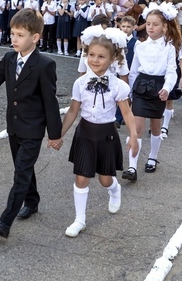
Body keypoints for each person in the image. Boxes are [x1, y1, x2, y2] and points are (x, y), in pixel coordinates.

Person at [0, 9, 62, 239]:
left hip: (33, 129)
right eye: (12, 33)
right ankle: (33, 201)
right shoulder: (9, 59)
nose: (14, 39)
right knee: (22, 168)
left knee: (21, 173)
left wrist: (54, 134)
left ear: (35, 38)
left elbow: (50, 102)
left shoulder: (45, 65)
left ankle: (5, 222)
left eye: (20, 35)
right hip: (14, 127)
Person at [58, 26, 138, 237]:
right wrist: (59, 134)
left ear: (112, 59)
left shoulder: (118, 86)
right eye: (91, 55)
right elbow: (73, 111)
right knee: (81, 177)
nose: (95, 60)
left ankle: (114, 189)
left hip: (106, 135)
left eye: (101, 56)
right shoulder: (80, 83)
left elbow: (127, 113)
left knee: (104, 179)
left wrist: (134, 136)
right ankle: (79, 220)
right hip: (85, 133)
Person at [122, 3, 181, 181]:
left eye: (155, 24)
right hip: (141, 87)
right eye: (148, 24)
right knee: (137, 128)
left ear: (164, 27)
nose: (150, 27)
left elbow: (171, 71)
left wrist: (166, 88)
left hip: (158, 88)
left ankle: (153, 157)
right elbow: (133, 71)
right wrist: (130, 93)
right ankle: (132, 168)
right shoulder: (140, 46)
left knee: (155, 128)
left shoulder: (169, 48)